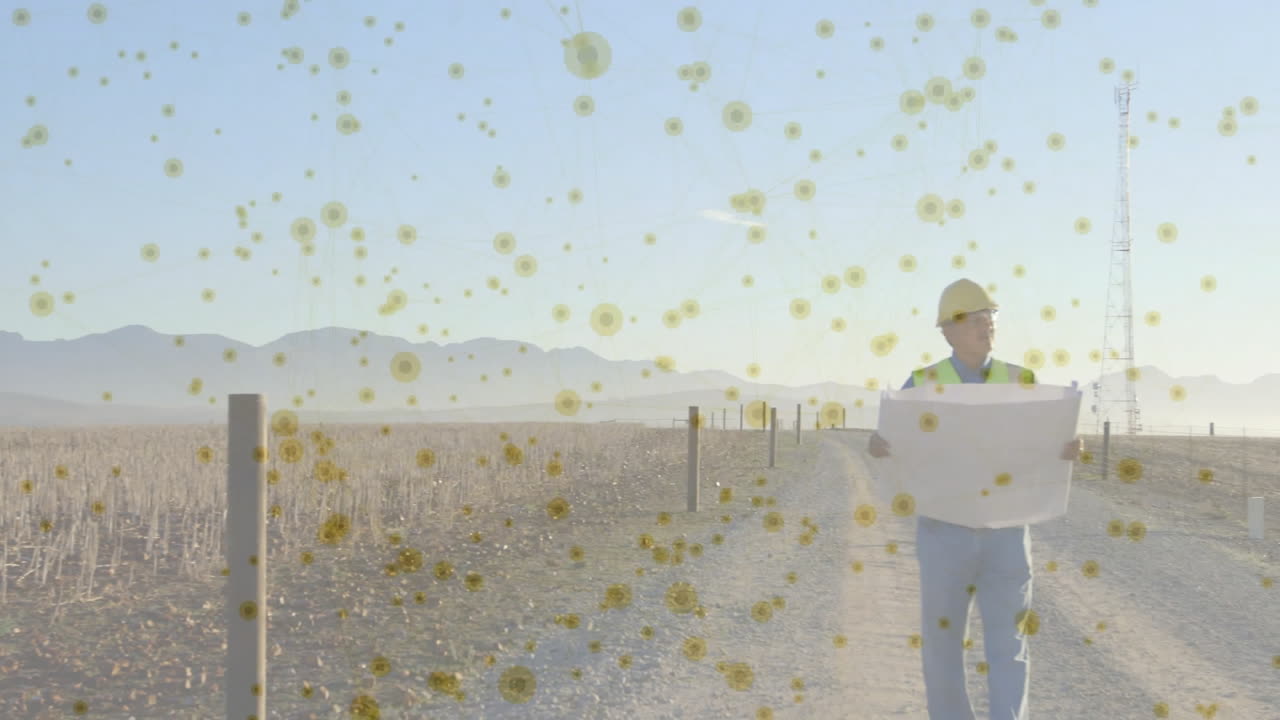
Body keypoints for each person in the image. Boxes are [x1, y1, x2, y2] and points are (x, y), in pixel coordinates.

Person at [867, 278, 1082, 720]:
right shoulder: (922, 384)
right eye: (975, 320)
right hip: (944, 531)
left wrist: (1067, 448)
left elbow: (1044, 443)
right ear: (946, 330)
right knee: (943, 646)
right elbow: (898, 447)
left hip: (1007, 533)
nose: (986, 326)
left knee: (1010, 644)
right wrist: (881, 446)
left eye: (991, 318)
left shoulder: (1022, 382)